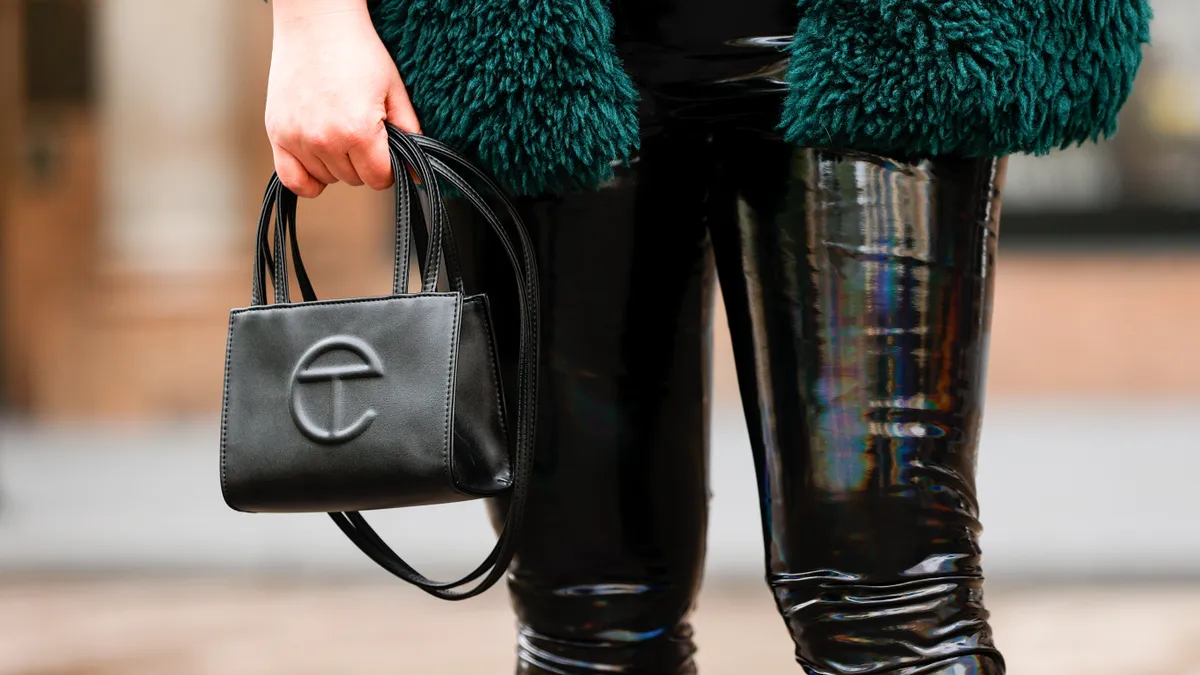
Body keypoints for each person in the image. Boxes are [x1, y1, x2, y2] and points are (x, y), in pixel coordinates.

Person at [262, 0, 1151, 672]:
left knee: (899, 606)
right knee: (587, 622)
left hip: (884, 30)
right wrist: (313, 19)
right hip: (531, 38)